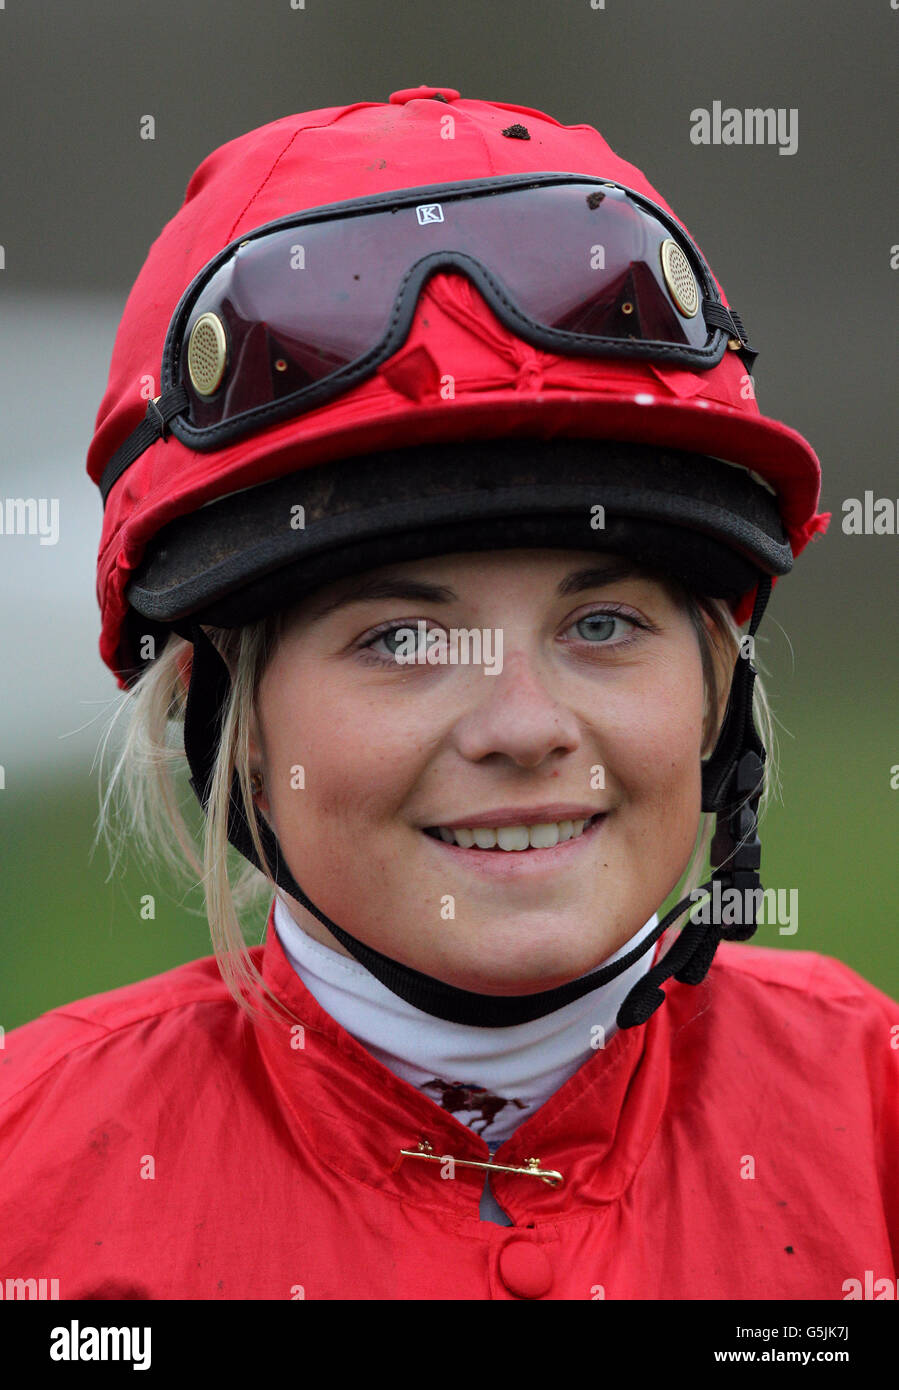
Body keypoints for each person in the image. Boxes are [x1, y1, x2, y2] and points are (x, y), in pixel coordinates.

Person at [2, 85, 896, 1303]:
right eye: (403, 639)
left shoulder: (874, 1119)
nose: (523, 727)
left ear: (712, 689)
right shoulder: (26, 1187)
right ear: (228, 720)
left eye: (599, 624)